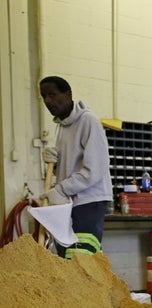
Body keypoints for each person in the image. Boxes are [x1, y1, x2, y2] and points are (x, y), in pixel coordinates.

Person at [39, 76, 113, 259]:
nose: (48, 101)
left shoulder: (88, 121)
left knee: (82, 257)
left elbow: (94, 169)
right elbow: (71, 167)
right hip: (70, 200)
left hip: (89, 200)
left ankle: (89, 289)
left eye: (53, 94)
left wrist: (61, 189)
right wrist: (55, 165)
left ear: (68, 94)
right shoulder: (62, 127)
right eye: (43, 96)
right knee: (66, 253)